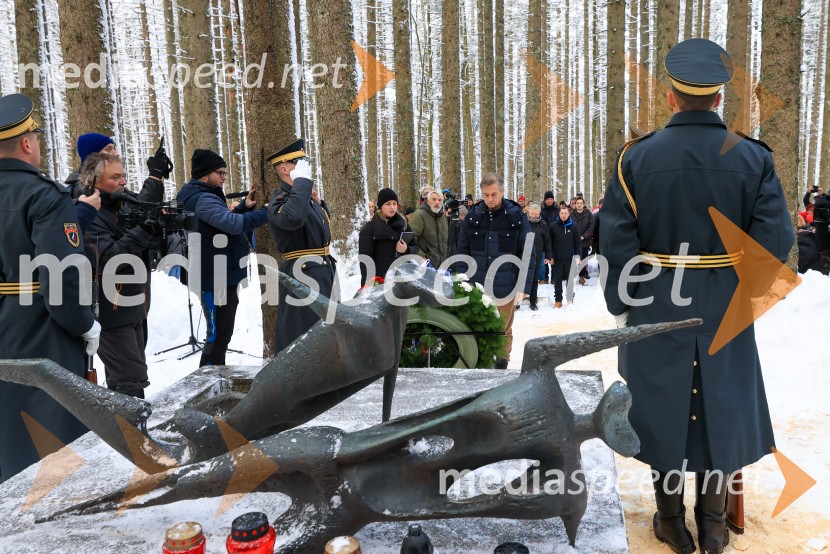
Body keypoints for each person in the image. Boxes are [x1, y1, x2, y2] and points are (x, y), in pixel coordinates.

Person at [600, 39, 794, 554]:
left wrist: (622, 305)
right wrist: (741, 294)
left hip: (655, 302)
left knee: (660, 406)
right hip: (724, 304)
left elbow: (616, 244)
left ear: (671, 96)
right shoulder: (752, 157)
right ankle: (712, 527)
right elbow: (775, 243)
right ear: (718, 98)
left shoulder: (635, 157)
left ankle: (671, 522)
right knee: (720, 406)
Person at [0, 94, 99, 482]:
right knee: (54, 457)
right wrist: (84, 324)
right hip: (41, 331)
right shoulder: (43, 194)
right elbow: (61, 277)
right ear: (27, 143)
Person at [81, 152, 163, 398]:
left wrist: (157, 228)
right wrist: (144, 229)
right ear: (94, 181)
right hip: (110, 314)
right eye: (115, 177)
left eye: (123, 176)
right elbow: (110, 259)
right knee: (132, 381)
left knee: (121, 381)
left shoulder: (124, 205)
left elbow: (145, 244)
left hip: (134, 306)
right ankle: (132, 425)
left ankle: (119, 422)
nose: (123, 182)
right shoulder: (88, 213)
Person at [177, 149, 268, 366]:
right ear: (204, 175)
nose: (224, 177)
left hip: (219, 274)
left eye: (225, 172)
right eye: (220, 173)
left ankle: (215, 378)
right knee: (216, 337)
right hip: (213, 278)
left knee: (221, 335)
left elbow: (219, 224)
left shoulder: (200, 195)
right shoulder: (203, 198)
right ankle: (207, 381)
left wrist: (243, 207)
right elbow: (233, 225)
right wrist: (268, 212)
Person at [457, 173, 534, 368]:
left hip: (505, 285)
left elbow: (527, 253)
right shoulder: (473, 216)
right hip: (477, 285)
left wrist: (524, 285)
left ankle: (501, 367)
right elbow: (462, 251)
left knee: (502, 330)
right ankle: (479, 364)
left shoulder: (516, 216)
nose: (490, 199)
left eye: (494, 194)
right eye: (486, 195)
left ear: (502, 192)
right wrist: (462, 280)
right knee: (476, 328)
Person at [267, 139, 336, 354]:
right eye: (298, 162)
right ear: (284, 169)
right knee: (303, 334)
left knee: (325, 332)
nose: (305, 167)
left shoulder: (304, 197)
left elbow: (321, 230)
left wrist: (316, 201)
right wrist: (302, 184)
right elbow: (293, 218)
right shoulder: (280, 200)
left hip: (321, 271)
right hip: (302, 275)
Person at [358, 188, 418, 286]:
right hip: (381, 282)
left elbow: (415, 246)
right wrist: (368, 285)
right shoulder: (370, 228)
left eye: (394, 204)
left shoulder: (404, 224)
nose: (392, 207)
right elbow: (366, 260)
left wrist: (406, 249)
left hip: (402, 280)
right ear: (381, 206)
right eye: (388, 204)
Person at [549, 204, 580, 308]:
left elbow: (577, 242)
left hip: (570, 259)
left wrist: (577, 255)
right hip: (557, 259)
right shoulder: (553, 226)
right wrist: (550, 256)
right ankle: (558, 300)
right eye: (562, 213)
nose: (563, 215)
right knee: (557, 281)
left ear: (569, 214)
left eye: (565, 213)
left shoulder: (574, 226)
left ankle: (570, 299)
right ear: (559, 213)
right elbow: (550, 243)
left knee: (570, 280)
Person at [408, 189, 449, 269]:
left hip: (441, 267)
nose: (437, 202)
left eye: (439, 200)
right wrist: (421, 258)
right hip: (423, 266)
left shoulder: (442, 217)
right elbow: (409, 240)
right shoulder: (419, 215)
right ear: (427, 201)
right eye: (434, 199)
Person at [525, 202, 552, 310]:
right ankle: (518, 300)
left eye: (536, 214)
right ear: (529, 212)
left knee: (534, 279)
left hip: (536, 256)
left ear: (539, 213)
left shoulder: (543, 224)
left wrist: (548, 256)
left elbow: (547, 241)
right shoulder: (523, 222)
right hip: (523, 255)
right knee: (521, 278)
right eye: (532, 213)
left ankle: (533, 302)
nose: (534, 216)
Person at [571, 197, 595, 285]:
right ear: (575, 204)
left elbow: (591, 226)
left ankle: (581, 277)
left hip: (585, 241)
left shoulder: (588, 214)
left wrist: (584, 236)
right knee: (575, 259)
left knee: (583, 259)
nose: (579, 205)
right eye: (578, 203)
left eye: (581, 203)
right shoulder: (571, 214)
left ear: (583, 204)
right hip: (574, 240)